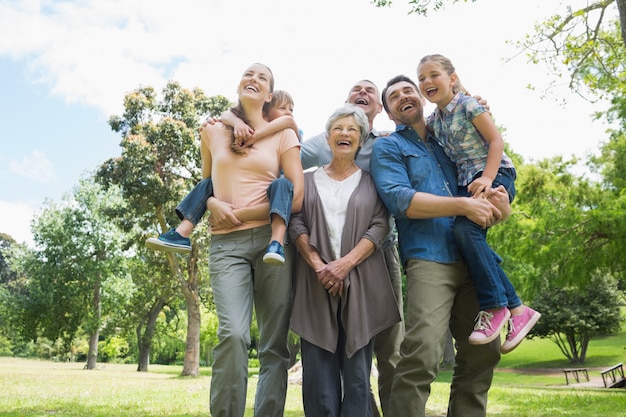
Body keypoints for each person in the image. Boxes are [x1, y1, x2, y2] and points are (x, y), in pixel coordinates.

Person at [370, 74, 512, 417]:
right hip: (428, 258)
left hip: (474, 256)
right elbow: (401, 200)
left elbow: (484, 178)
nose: (404, 96)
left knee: (484, 350)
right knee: (423, 352)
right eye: (394, 97)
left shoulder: (452, 138)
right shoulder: (388, 147)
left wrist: (498, 208)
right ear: (389, 113)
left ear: (421, 98)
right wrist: (463, 206)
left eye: (409, 91)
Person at [198, 63, 304, 417]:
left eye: (262, 76)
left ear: (269, 94)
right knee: (233, 336)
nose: (253, 78)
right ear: (239, 85)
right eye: (248, 73)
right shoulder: (213, 130)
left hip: (273, 242)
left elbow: (296, 197)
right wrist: (212, 203)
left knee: (274, 345)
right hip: (226, 244)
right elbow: (205, 186)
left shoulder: (283, 135)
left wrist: (241, 213)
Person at [416, 54, 540, 352]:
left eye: (433, 75)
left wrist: (488, 177)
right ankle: (518, 310)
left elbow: (496, 142)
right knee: (467, 238)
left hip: (495, 176)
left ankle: (497, 306)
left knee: (465, 233)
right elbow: (417, 133)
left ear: (452, 78)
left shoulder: (469, 105)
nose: (427, 82)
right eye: (421, 78)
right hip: (468, 185)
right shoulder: (435, 120)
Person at [289, 104, 401, 417]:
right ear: (327, 138)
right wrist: (318, 265)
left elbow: (380, 225)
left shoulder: (371, 181)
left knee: (356, 378)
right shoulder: (308, 180)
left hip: (362, 285)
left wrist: (344, 265)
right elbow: (296, 222)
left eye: (352, 130)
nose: (345, 133)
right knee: (317, 381)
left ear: (361, 141)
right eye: (338, 128)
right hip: (315, 284)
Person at [145, 90, 301, 265]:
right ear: (265, 111)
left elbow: (288, 121)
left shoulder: (288, 131)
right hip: (243, 207)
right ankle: (182, 232)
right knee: (208, 183)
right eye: (283, 108)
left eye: (291, 109)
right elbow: (226, 114)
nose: (289, 112)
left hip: (277, 196)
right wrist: (237, 123)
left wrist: (254, 135)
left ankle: (276, 242)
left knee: (282, 184)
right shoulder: (236, 130)